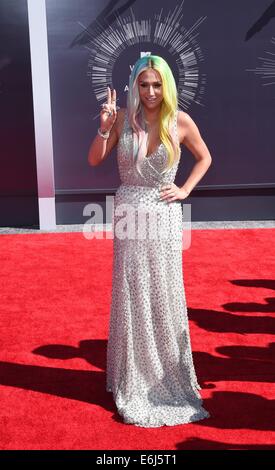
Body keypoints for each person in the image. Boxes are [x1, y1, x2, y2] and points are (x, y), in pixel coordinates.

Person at [88, 55, 212, 427]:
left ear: (167, 86)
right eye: (144, 84)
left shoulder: (180, 121)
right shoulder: (123, 119)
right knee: (131, 291)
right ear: (134, 86)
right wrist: (104, 128)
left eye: (157, 84)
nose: (151, 91)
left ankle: (165, 377)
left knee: (163, 292)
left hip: (163, 216)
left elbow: (204, 157)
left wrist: (185, 189)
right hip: (128, 211)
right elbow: (94, 160)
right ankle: (133, 375)